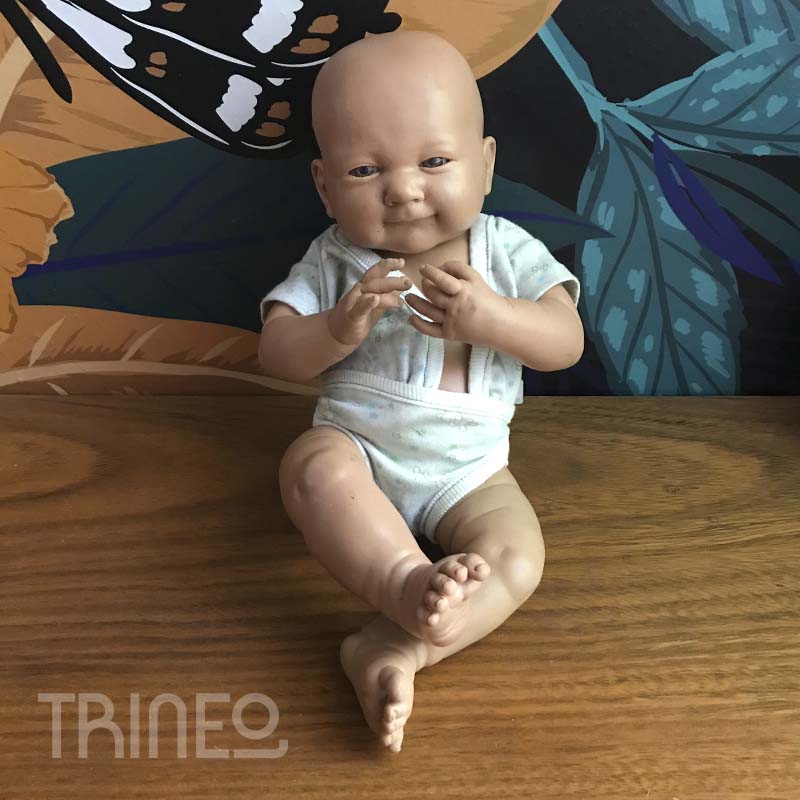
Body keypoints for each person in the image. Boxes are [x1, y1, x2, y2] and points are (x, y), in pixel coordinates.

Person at [258, 29, 583, 753]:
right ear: (324, 186)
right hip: (361, 450)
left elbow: (566, 342)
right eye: (366, 169)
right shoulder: (336, 260)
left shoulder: (505, 251)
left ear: (486, 164)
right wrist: (337, 328)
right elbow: (277, 351)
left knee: (519, 557)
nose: (404, 190)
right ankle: (405, 583)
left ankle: (396, 647)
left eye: (435, 162)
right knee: (309, 466)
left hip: (470, 472)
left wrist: (491, 317)